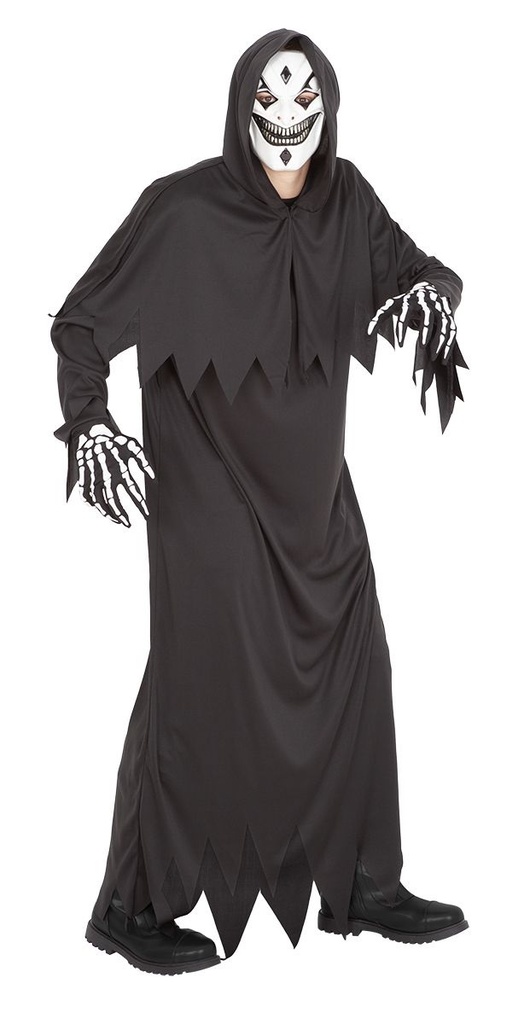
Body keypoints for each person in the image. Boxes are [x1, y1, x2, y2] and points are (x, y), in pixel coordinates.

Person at [49, 27, 469, 975]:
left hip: (319, 508)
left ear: (329, 109)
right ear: (241, 108)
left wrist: (434, 303)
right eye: (269, 100)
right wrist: (90, 423)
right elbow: (80, 325)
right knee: (194, 693)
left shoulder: (346, 199)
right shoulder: (180, 211)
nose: (286, 118)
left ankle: (363, 883)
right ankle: (129, 906)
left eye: (305, 100)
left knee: (359, 671)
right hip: (212, 502)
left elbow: (423, 272)